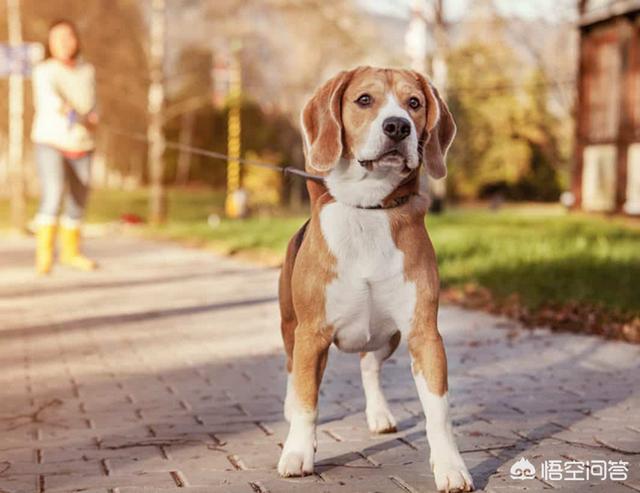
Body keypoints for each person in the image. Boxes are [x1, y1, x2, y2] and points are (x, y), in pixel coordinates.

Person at [32, 19, 98, 275]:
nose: (63, 42)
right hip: (51, 140)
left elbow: (94, 102)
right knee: (54, 190)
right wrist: (67, 109)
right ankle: (44, 255)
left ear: (77, 40)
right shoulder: (44, 70)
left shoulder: (87, 70)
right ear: (50, 43)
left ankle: (71, 253)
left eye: (68, 36)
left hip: (82, 142)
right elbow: (50, 99)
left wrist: (94, 117)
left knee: (79, 198)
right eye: (57, 38)